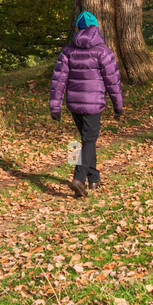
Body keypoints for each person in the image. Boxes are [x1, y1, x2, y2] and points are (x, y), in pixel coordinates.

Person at [49, 11, 123, 197]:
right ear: (96, 28)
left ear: (79, 29)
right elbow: (112, 81)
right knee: (89, 140)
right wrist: (118, 105)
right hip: (93, 104)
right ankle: (79, 178)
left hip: (74, 105)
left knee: (83, 140)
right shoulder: (103, 51)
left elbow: (58, 81)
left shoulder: (68, 51)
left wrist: (55, 106)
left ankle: (94, 178)